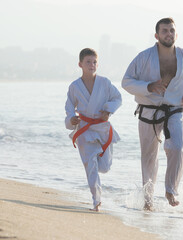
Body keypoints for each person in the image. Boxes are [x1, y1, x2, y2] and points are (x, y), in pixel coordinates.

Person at [122, 17, 183, 210]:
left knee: (176, 147)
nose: (169, 34)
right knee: (149, 156)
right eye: (165, 31)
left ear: (176, 34)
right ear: (157, 36)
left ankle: (171, 189)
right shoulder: (143, 57)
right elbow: (126, 82)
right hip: (148, 110)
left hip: (174, 109)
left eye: (172, 30)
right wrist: (148, 86)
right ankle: (148, 200)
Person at [65, 48, 122, 211]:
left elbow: (117, 98)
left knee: (104, 167)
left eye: (94, 62)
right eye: (88, 62)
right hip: (84, 129)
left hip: (102, 127)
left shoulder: (105, 83)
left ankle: (97, 160)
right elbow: (69, 106)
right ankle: (96, 201)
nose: (92, 65)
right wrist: (71, 118)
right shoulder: (74, 86)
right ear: (80, 64)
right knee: (90, 165)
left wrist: (108, 110)